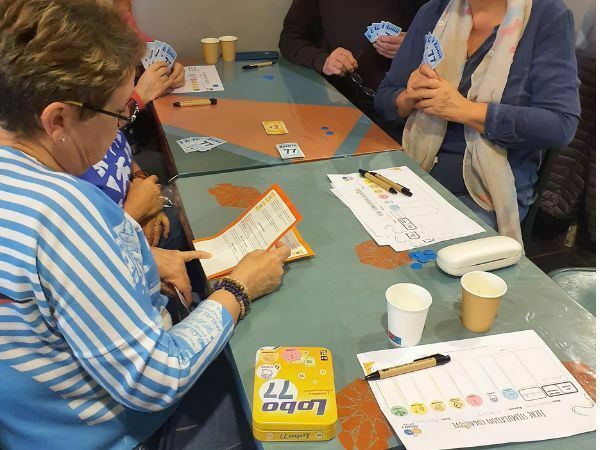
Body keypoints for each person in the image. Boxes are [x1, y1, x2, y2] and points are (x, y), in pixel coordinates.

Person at [0, 1, 290, 449]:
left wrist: (140, 256)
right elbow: (155, 380)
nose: (121, 129)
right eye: (119, 114)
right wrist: (240, 288)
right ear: (58, 121)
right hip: (118, 430)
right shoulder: (65, 212)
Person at [374, 0, 580, 242]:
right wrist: (409, 98)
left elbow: (560, 125)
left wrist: (464, 110)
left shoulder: (546, 16)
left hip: (486, 193)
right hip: (413, 167)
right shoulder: (434, 11)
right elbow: (385, 97)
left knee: (423, 254)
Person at [279, 0, 426, 139]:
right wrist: (323, 60)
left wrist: (415, 45)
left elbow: (437, 42)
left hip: (403, 112)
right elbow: (290, 38)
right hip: (338, 107)